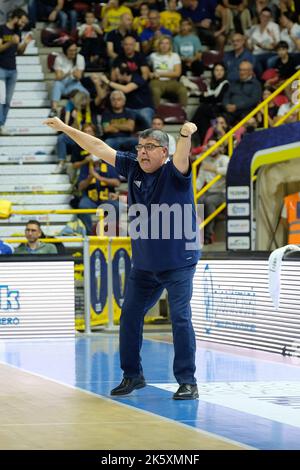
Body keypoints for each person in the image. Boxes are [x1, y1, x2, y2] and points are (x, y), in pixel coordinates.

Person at [43, 115, 200, 400]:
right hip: (145, 265)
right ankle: (132, 376)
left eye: (150, 147)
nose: (142, 151)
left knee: (179, 317)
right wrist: (66, 129)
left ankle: (188, 381)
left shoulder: (175, 172)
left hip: (179, 262)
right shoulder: (133, 168)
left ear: (164, 152)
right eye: (140, 146)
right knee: (129, 315)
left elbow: (181, 156)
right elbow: (99, 147)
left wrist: (186, 135)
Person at [0, 8, 32, 135]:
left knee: (7, 101)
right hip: (1, 69)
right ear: (16, 18)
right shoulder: (2, 29)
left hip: (13, 70)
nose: (23, 25)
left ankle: (2, 125)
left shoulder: (18, 32)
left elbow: (19, 51)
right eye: (22, 22)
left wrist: (25, 44)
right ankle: (0, 125)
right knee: (0, 100)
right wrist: (10, 42)